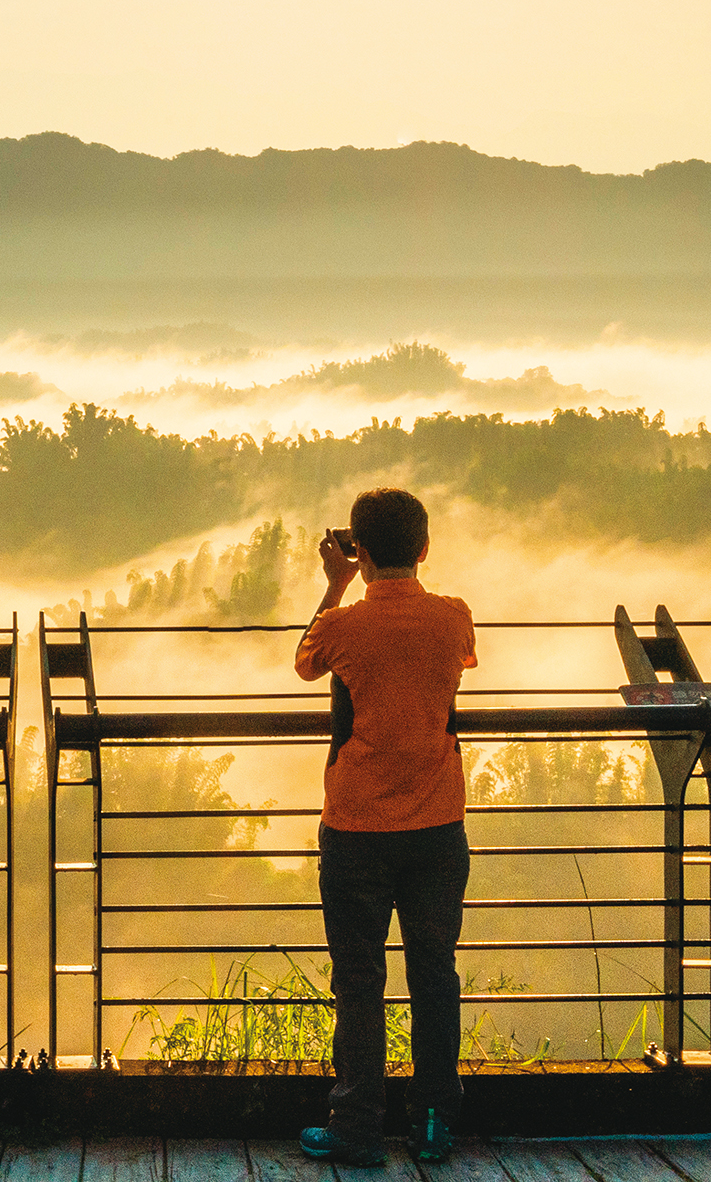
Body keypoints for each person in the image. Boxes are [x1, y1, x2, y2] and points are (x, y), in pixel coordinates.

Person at [293, 486, 475, 1166]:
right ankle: (432, 1123)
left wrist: (338, 583)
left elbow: (305, 663)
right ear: (424, 548)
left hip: (356, 826)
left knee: (359, 980)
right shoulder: (454, 617)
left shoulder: (343, 626)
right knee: (434, 974)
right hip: (437, 823)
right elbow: (454, 665)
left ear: (359, 549)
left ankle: (357, 1129)